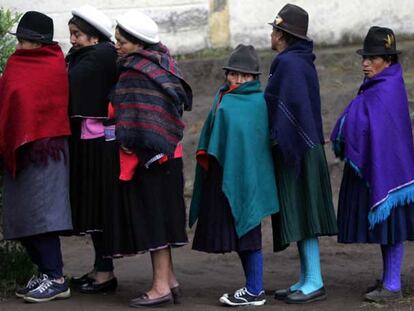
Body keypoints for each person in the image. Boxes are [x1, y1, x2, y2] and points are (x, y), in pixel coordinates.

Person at [110, 10, 192, 307]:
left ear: (138, 43)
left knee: (154, 219)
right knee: (165, 218)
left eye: (121, 41)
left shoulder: (135, 72)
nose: (116, 45)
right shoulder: (164, 62)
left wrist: (130, 139)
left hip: (151, 157)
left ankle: (160, 288)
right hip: (171, 154)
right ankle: (170, 280)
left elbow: (136, 118)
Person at [189, 44, 280, 307]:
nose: (238, 80)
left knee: (248, 226)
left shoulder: (256, 103)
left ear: (254, 79)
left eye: (245, 76)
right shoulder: (223, 97)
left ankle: (255, 290)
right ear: (226, 74)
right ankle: (253, 288)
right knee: (239, 231)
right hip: (223, 173)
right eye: (233, 74)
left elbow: (255, 143)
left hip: (248, 176)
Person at [331, 26, 414, 303]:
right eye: (364, 57)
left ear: (388, 60)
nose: (365, 63)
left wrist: (348, 120)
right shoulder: (384, 82)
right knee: (387, 228)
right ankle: (389, 279)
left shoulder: (385, 87)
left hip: (391, 173)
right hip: (390, 168)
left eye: (372, 58)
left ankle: (392, 285)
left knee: (391, 227)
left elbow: (367, 121)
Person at [264, 4, 338, 304]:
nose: (270, 35)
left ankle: (315, 281)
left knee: (305, 213)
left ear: (282, 35)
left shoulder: (289, 64)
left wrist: (274, 136)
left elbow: (286, 109)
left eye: (273, 30)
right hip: (304, 147)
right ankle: (307, 278)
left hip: (299, 149)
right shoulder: (298, 60)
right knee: (300, 213)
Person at [0, 11, 72, 303]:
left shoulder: (52, 64)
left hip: (46, 150)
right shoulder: (19, 63)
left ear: (37, 43)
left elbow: (44, 103)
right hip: (20, 148)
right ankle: (45, 272)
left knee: (43, 215)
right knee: (21, 216)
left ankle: (55, 277)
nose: (18, 46)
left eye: (23, 41)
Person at [66, 5, 118, 293]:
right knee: (94, 211)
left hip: (100, 148)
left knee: (100, 210)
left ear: (95, 38)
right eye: (71, 34)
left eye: (77, 35)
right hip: (88, 143)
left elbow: (68, 85)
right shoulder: (83, 56)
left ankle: (106, 273)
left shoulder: (99, 58)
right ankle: (101, 268)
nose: (72, 40)